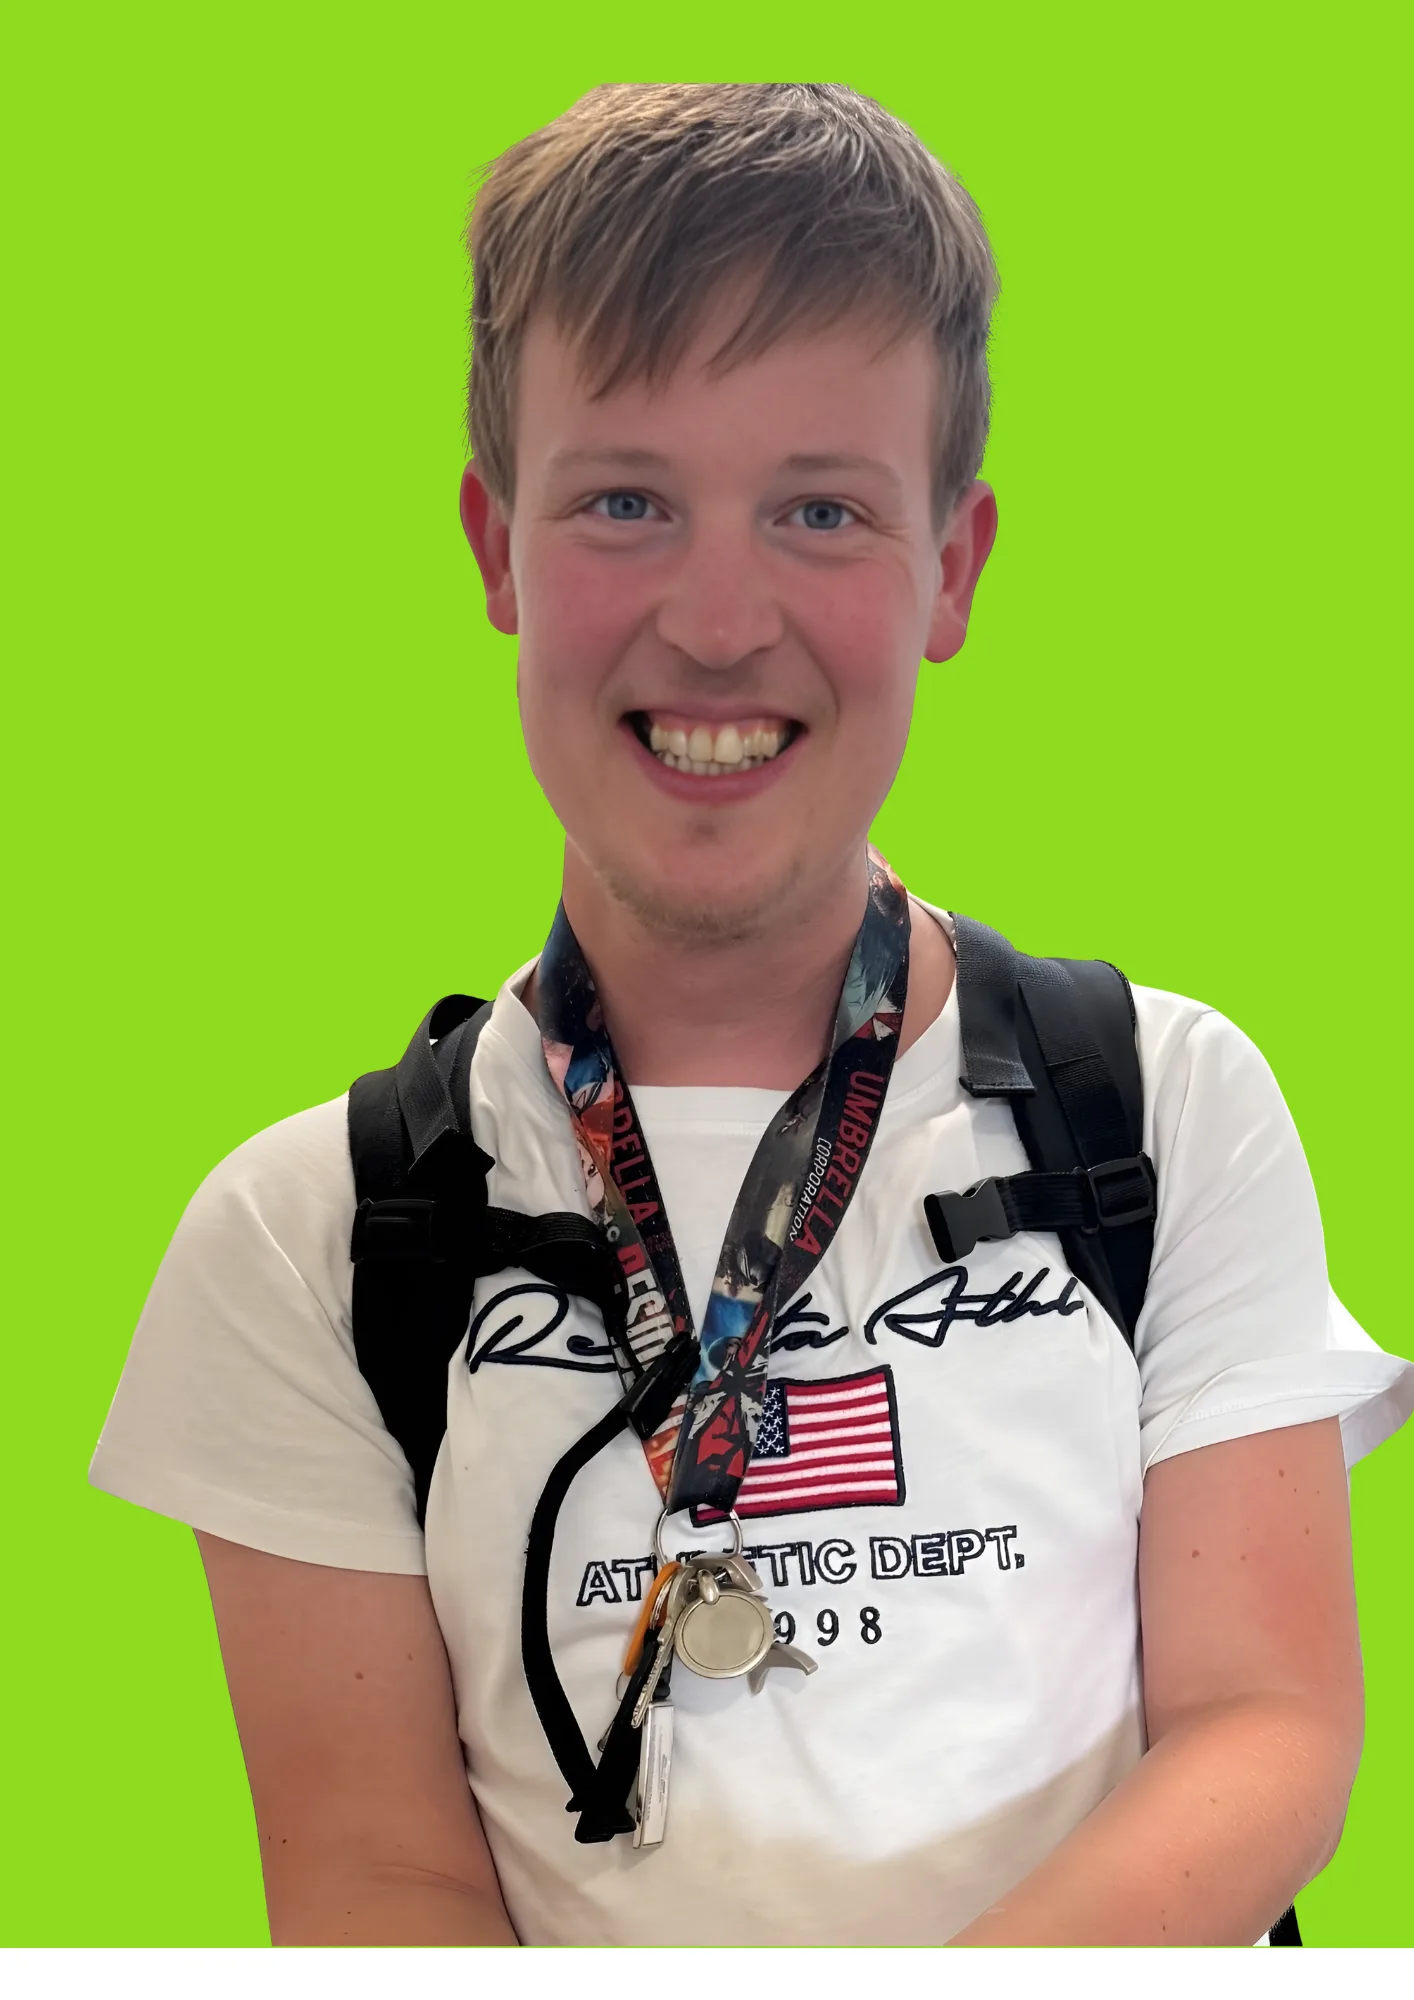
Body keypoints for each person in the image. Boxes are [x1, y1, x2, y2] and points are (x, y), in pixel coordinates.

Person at [89, 81, 1412, 1948]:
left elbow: (1260, 1731)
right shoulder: (303, 1238)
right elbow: (375, 1879)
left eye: (820, 510)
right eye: (626, 502)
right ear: (495, 548)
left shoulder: (1159, 1106)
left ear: (951, 567)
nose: (718, 621)